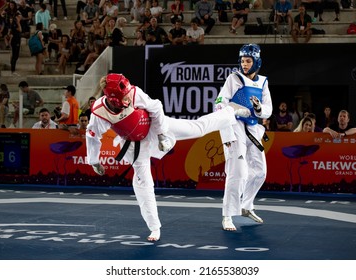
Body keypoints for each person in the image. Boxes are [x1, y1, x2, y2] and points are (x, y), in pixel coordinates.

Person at [86, 73, 242, 241]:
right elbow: (92, 136)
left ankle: (228, 112)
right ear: (113, 99)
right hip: (134, 143)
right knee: (143, 182)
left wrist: (161, 135)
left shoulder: (135, 92)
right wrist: (94, 161)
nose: (128, 96)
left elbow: (156, 107)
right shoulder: (99, 112)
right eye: (124, 96)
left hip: (154, 126)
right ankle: (154, 228)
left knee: (196, 128)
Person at [214, 44, 273, 231]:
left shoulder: (263, 82)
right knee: (237, 171)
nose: (244, 64)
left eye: (248, 61)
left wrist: (257, 109)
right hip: (235, 125)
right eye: (242, 60)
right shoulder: (234, 78)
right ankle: (227, 215)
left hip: (254, 127)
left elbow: (268, 109)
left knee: (260, 171)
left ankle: (246, 206)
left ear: (256, 62)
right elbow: (220, 102)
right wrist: (238, 110)